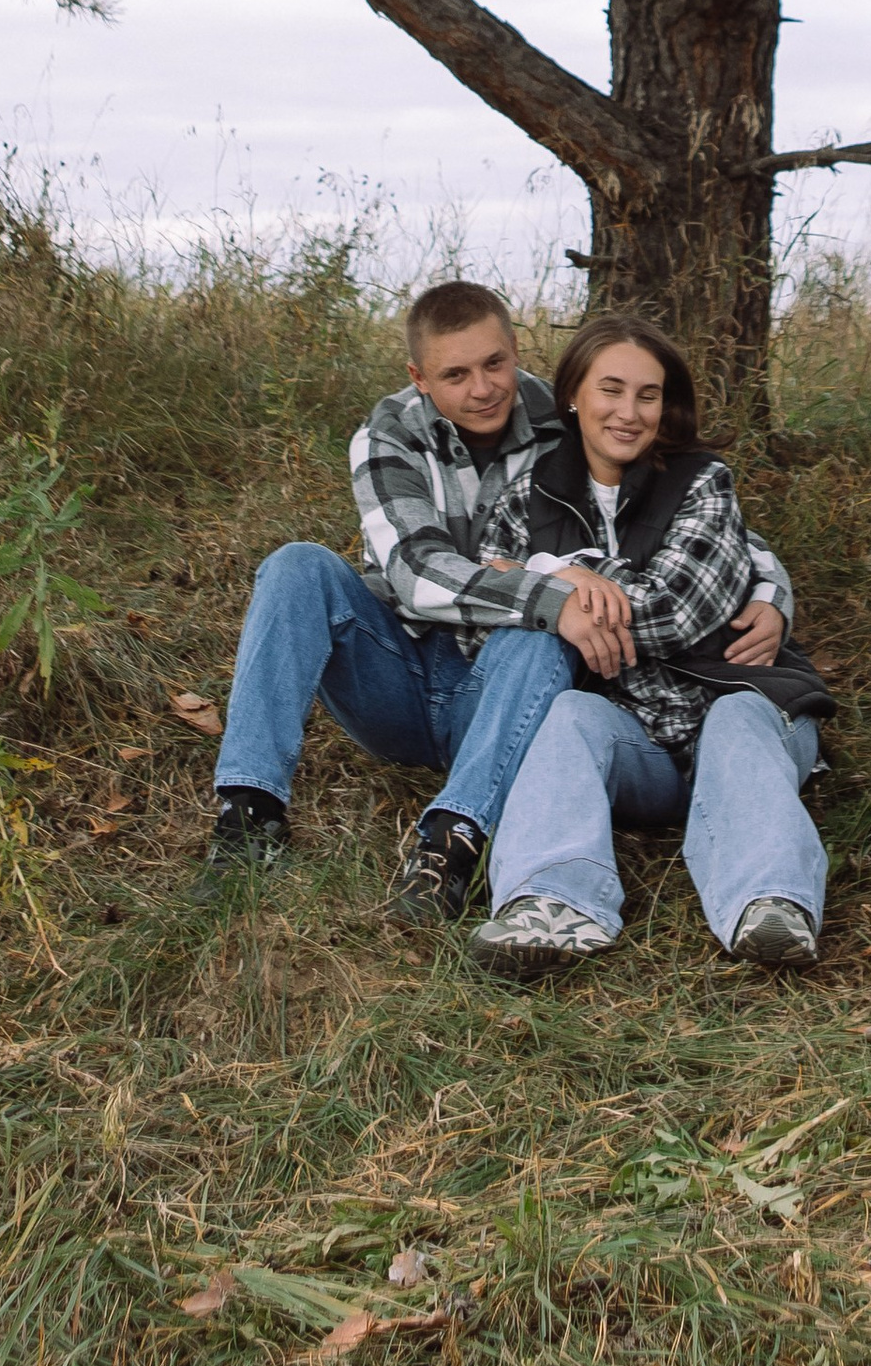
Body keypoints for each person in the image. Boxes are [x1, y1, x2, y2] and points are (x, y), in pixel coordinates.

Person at [203, 281, 799, 926]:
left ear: (516, 350)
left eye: (495, 364)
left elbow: (684, 507)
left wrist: (770, 590)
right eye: (454, 374)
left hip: (513, 682)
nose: (482, 389)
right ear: (420, 377)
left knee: (538, 632)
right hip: (399, 671)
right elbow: (415, 574)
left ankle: (453, 842)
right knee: (297, 566)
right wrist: (552, 592)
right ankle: (250, 811)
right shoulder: (389, 436)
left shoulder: (562, 408)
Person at [466, 311, 836, 980]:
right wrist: (549, 581)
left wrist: (551, 574)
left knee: (736, 716)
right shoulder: (530, 492)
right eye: (611, 390)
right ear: (573, 393)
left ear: (666, 407)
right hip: (637, 734)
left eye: (648, 394)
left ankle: (771, 902)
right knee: (569, 717)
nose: (628, 412)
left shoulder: (702, 481)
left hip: (738, 698)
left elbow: (677, 610)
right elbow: (485, 608)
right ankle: (550, 902)